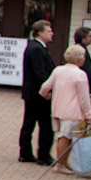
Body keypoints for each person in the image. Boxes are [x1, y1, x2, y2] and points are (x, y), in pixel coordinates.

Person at [39, 45, 91, 175]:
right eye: (83, 57)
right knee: (65, 137)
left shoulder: (58, 70)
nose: (84, 59)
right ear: (78, 59)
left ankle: (63, 162)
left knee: (66, 136)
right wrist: (89, 115)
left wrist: (46, 95)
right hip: (72, 111)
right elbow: (84, 98)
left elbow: (45, 87)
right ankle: (60, 165)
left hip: (59, 108)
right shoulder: (80, 74)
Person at [19, 20, 57, 165]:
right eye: (48, 31)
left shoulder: (36, 47)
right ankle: (43, 154)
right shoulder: (36, 49)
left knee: (29, 123)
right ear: (40, 32)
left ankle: (26, 153)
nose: (52, 33)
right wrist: (47, 89)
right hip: (38, 94)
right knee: (44, 124)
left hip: (33, 93)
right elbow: (39, 72)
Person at [73, 27, 91, 96]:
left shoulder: (75, 48)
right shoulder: (81, 51)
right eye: (89, 36)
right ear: (83, 38)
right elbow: (87, 70)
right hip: (81, 84)